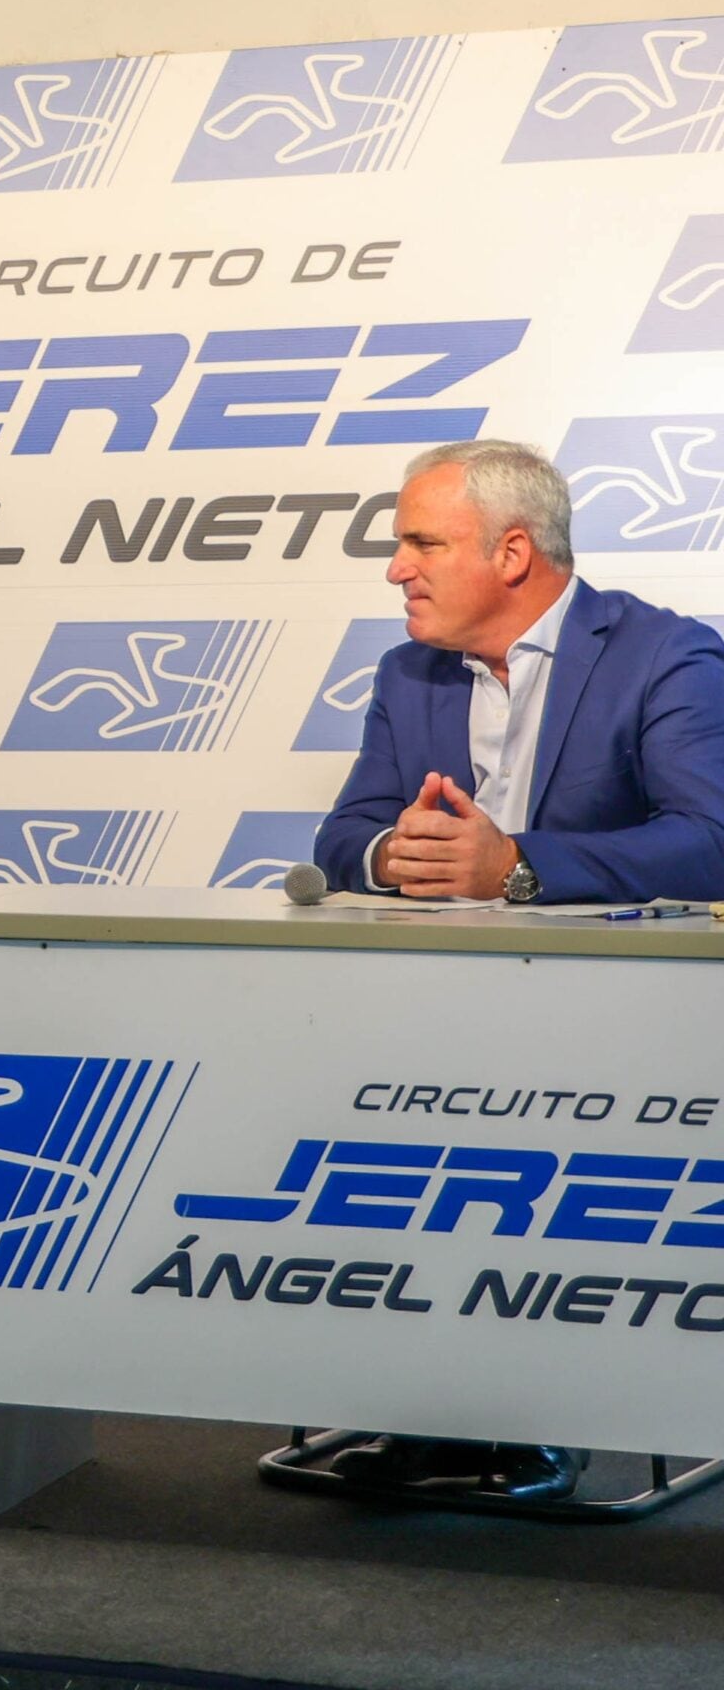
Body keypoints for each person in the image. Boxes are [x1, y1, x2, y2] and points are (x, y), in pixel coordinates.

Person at [312, 439, 724, 1500]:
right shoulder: (409, 670)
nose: (396, 569)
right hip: (435, 1014)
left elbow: (711, 835)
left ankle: (528, 1420)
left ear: (509, 551)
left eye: (419, 542)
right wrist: (393, 853)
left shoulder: (664, 654)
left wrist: (518, 866)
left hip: (614, 1025)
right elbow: (344, 832)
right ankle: (433, 1410)